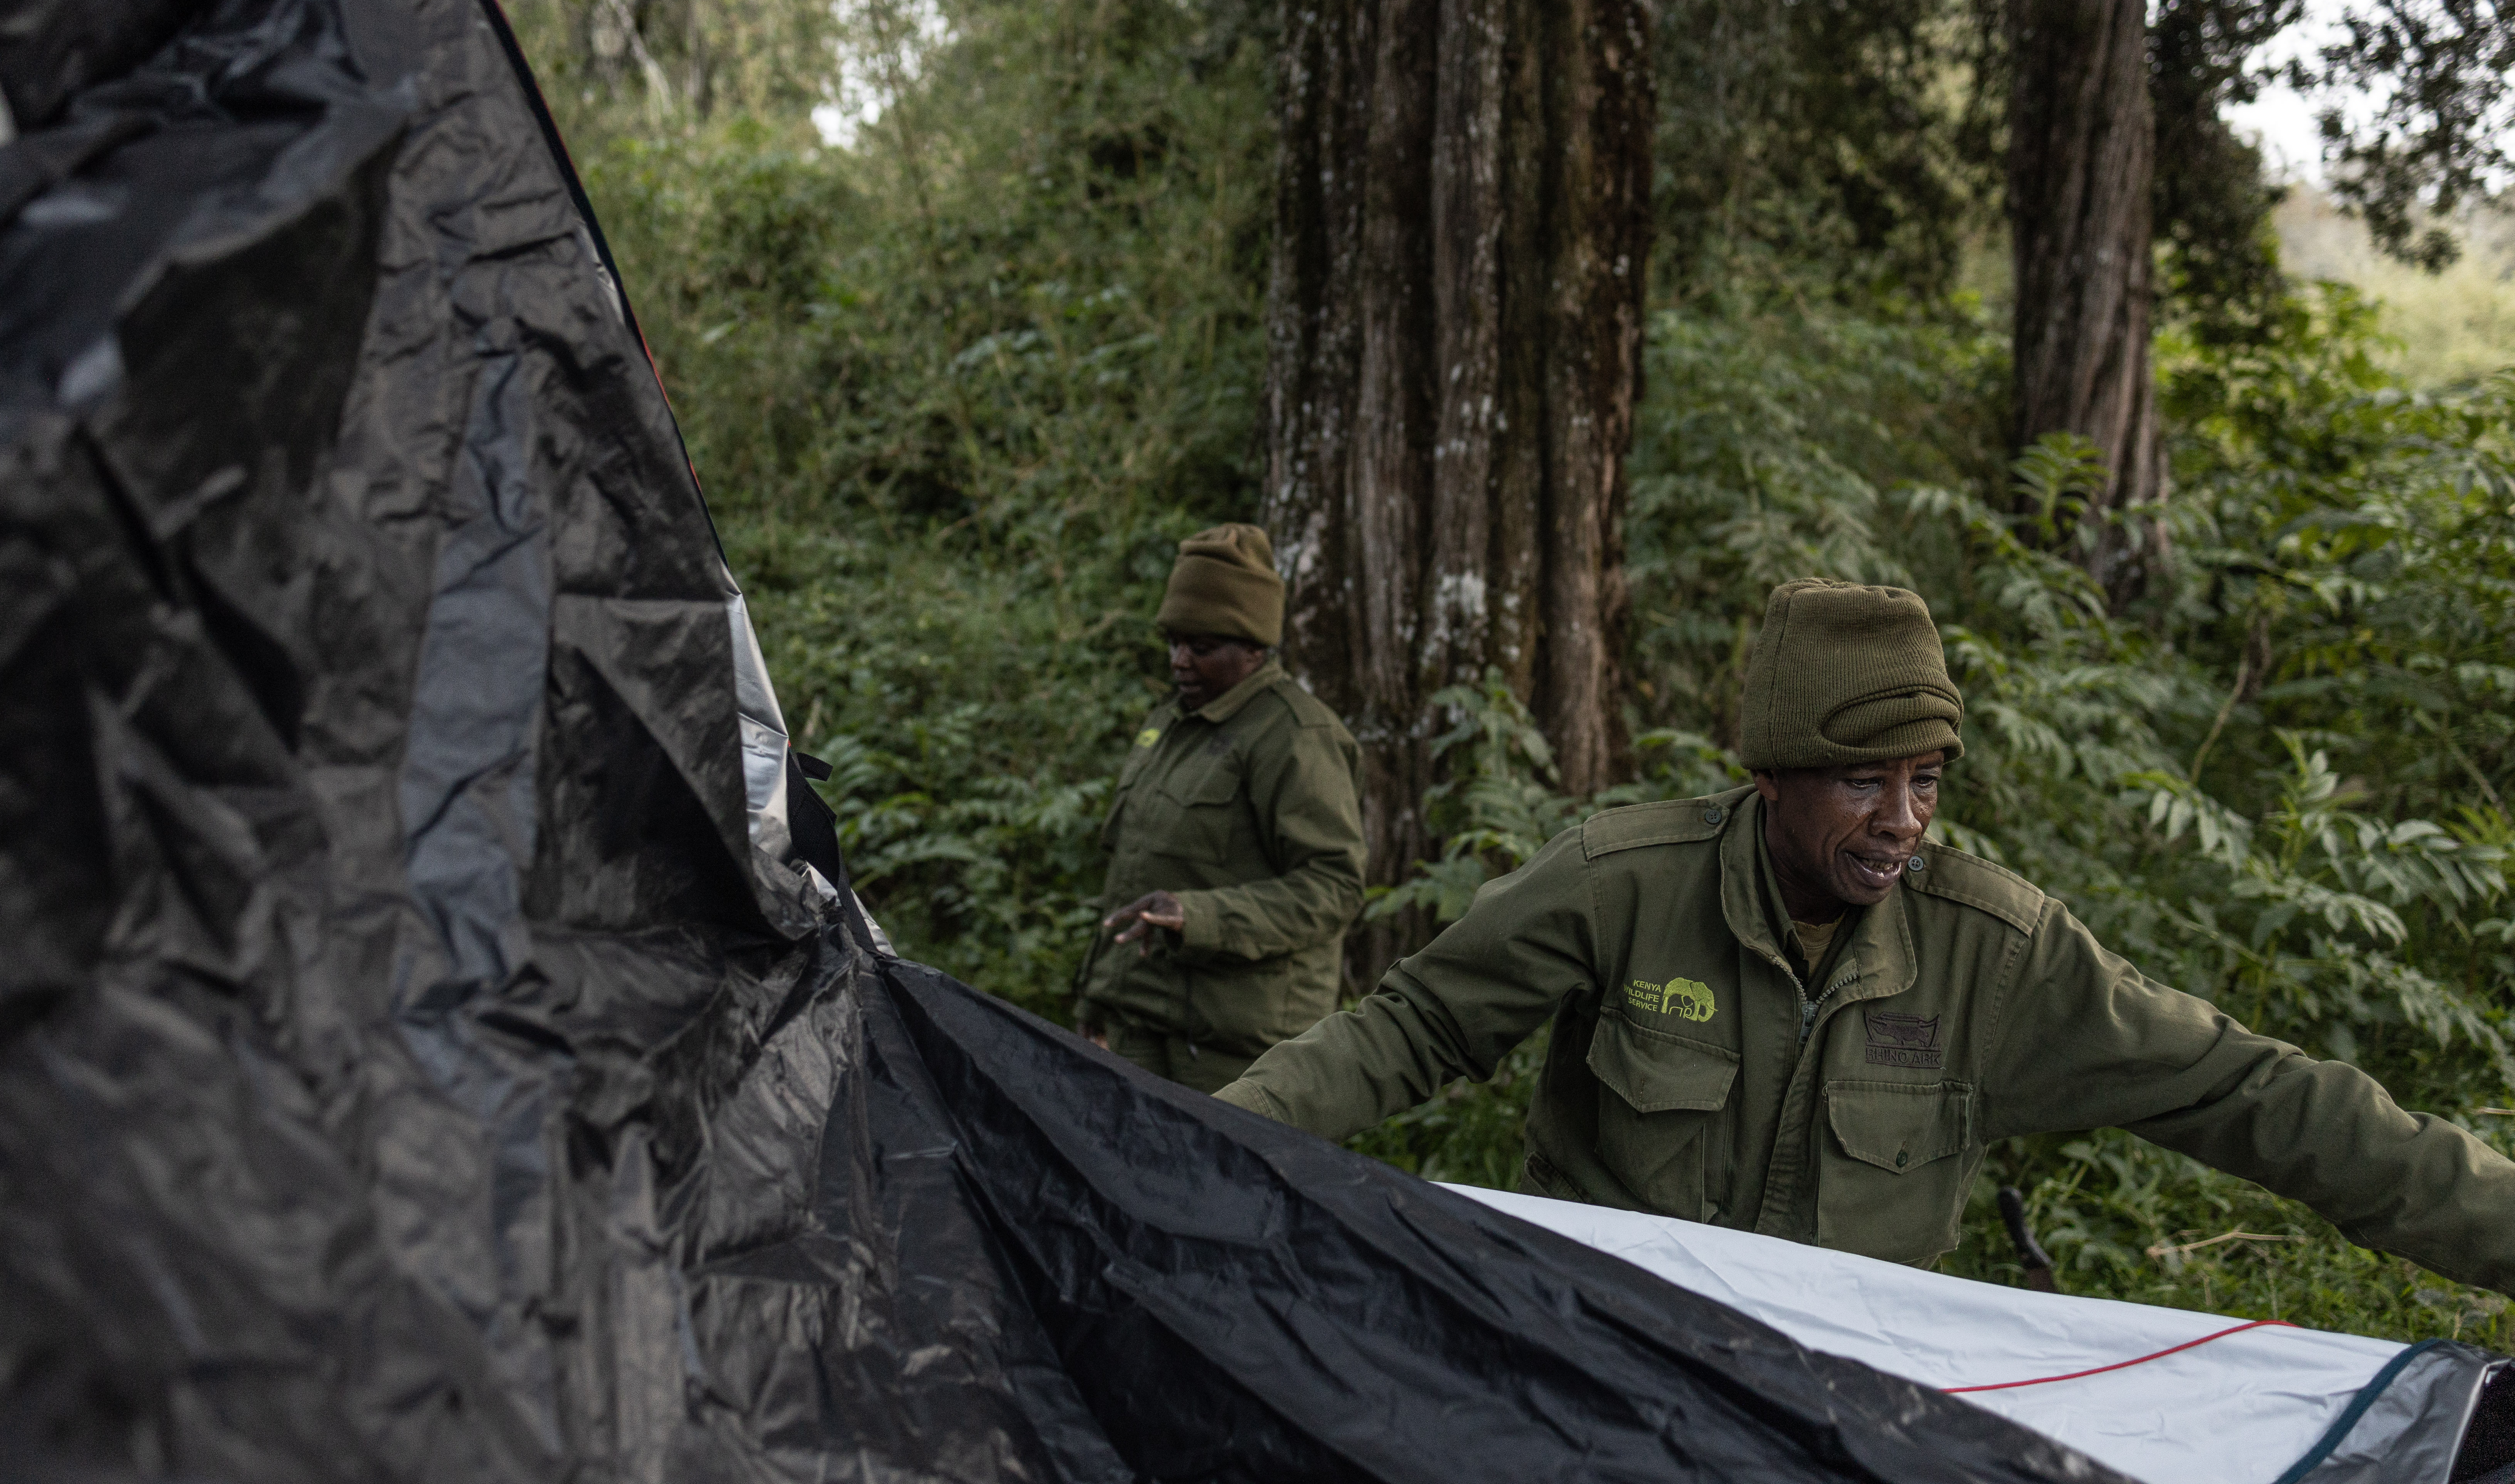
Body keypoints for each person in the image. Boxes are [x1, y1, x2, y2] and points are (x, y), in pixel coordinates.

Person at [1215, 579, 2515, 1290]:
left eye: (1928, 782)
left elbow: (2255, 1094)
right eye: (1862, 783)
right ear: (1771, 778)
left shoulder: (1992, 950)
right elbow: (1409, 1030)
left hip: (1850, 1407)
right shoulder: (1621, 885)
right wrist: (1193, 1146)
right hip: (1599, 1367)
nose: (1902, 822)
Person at [1072, 524, 1367, 1094]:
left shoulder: (1296, 737)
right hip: (1142, 1027)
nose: (1181, 662)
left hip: (1238, 1051)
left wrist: (1200, 917)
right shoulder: (1171, 723)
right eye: (1175, 643)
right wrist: (1097, 996)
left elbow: (1334, 887)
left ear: (1253, 649)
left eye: (1202, 649)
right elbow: (1131, 872)